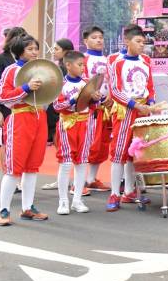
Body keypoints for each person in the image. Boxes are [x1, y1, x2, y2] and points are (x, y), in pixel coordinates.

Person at [0, 34, 50, 226]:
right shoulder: (11, 70)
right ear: (19, 51)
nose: (35, 52)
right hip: (19, 119)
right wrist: (26, 87)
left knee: (32, 166)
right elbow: (2, 97)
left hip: (39, 118)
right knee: (14, 168)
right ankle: (3, 210)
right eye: (30, 49)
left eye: (36, 48)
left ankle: (28, 208)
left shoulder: (42, 69)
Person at [107, 24, 161, 212]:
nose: (141, 45)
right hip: (125, 110)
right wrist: (136, 106)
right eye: (138, 41)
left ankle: (129, 191)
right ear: (127, 41)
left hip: (143, 109)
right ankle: (115, 193)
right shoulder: (116, 61)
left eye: (143, 42)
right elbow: (115, 91)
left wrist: (151, 103)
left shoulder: (146, 60)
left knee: (135, 151)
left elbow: (150, 85)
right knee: (119, 152)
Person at [53, 51, 97, 215]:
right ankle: (63, 201)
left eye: (83, 65)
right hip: (67, 124)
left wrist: (95, 98)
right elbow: (57, 106)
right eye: (79, 65)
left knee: (82, 162)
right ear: (68, 65)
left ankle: (77, 200)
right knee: (66, 163)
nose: (82, 68)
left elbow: (93, 106)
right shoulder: (60, 84)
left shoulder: (87, 83)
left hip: (85, 124)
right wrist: (73, 100)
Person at [82, 26, 112, 193]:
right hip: (89, 109)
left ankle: (91, 179)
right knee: (87, 144)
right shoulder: (83, 59)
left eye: (100, 37)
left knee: (101, 144)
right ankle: (78, 181)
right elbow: (82, 82)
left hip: (105, 109)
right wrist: (92, 95)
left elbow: (112, 82)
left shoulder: (108, 60)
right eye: (94, 37)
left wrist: (111, 97)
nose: (99, 40)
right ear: (85, 41)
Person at [0, 27, 27, 130]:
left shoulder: (28, 59)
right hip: (7, 106)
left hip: (26, 105)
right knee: (8, 134)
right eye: (17, 38)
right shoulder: (1, 58)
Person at [45, 39, 73, 150]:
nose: (53, 51)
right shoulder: (58, 67)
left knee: (63, 144)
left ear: (66, 51)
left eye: (56, 49)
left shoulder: (64, 68)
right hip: (58, 107)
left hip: (62, 108)